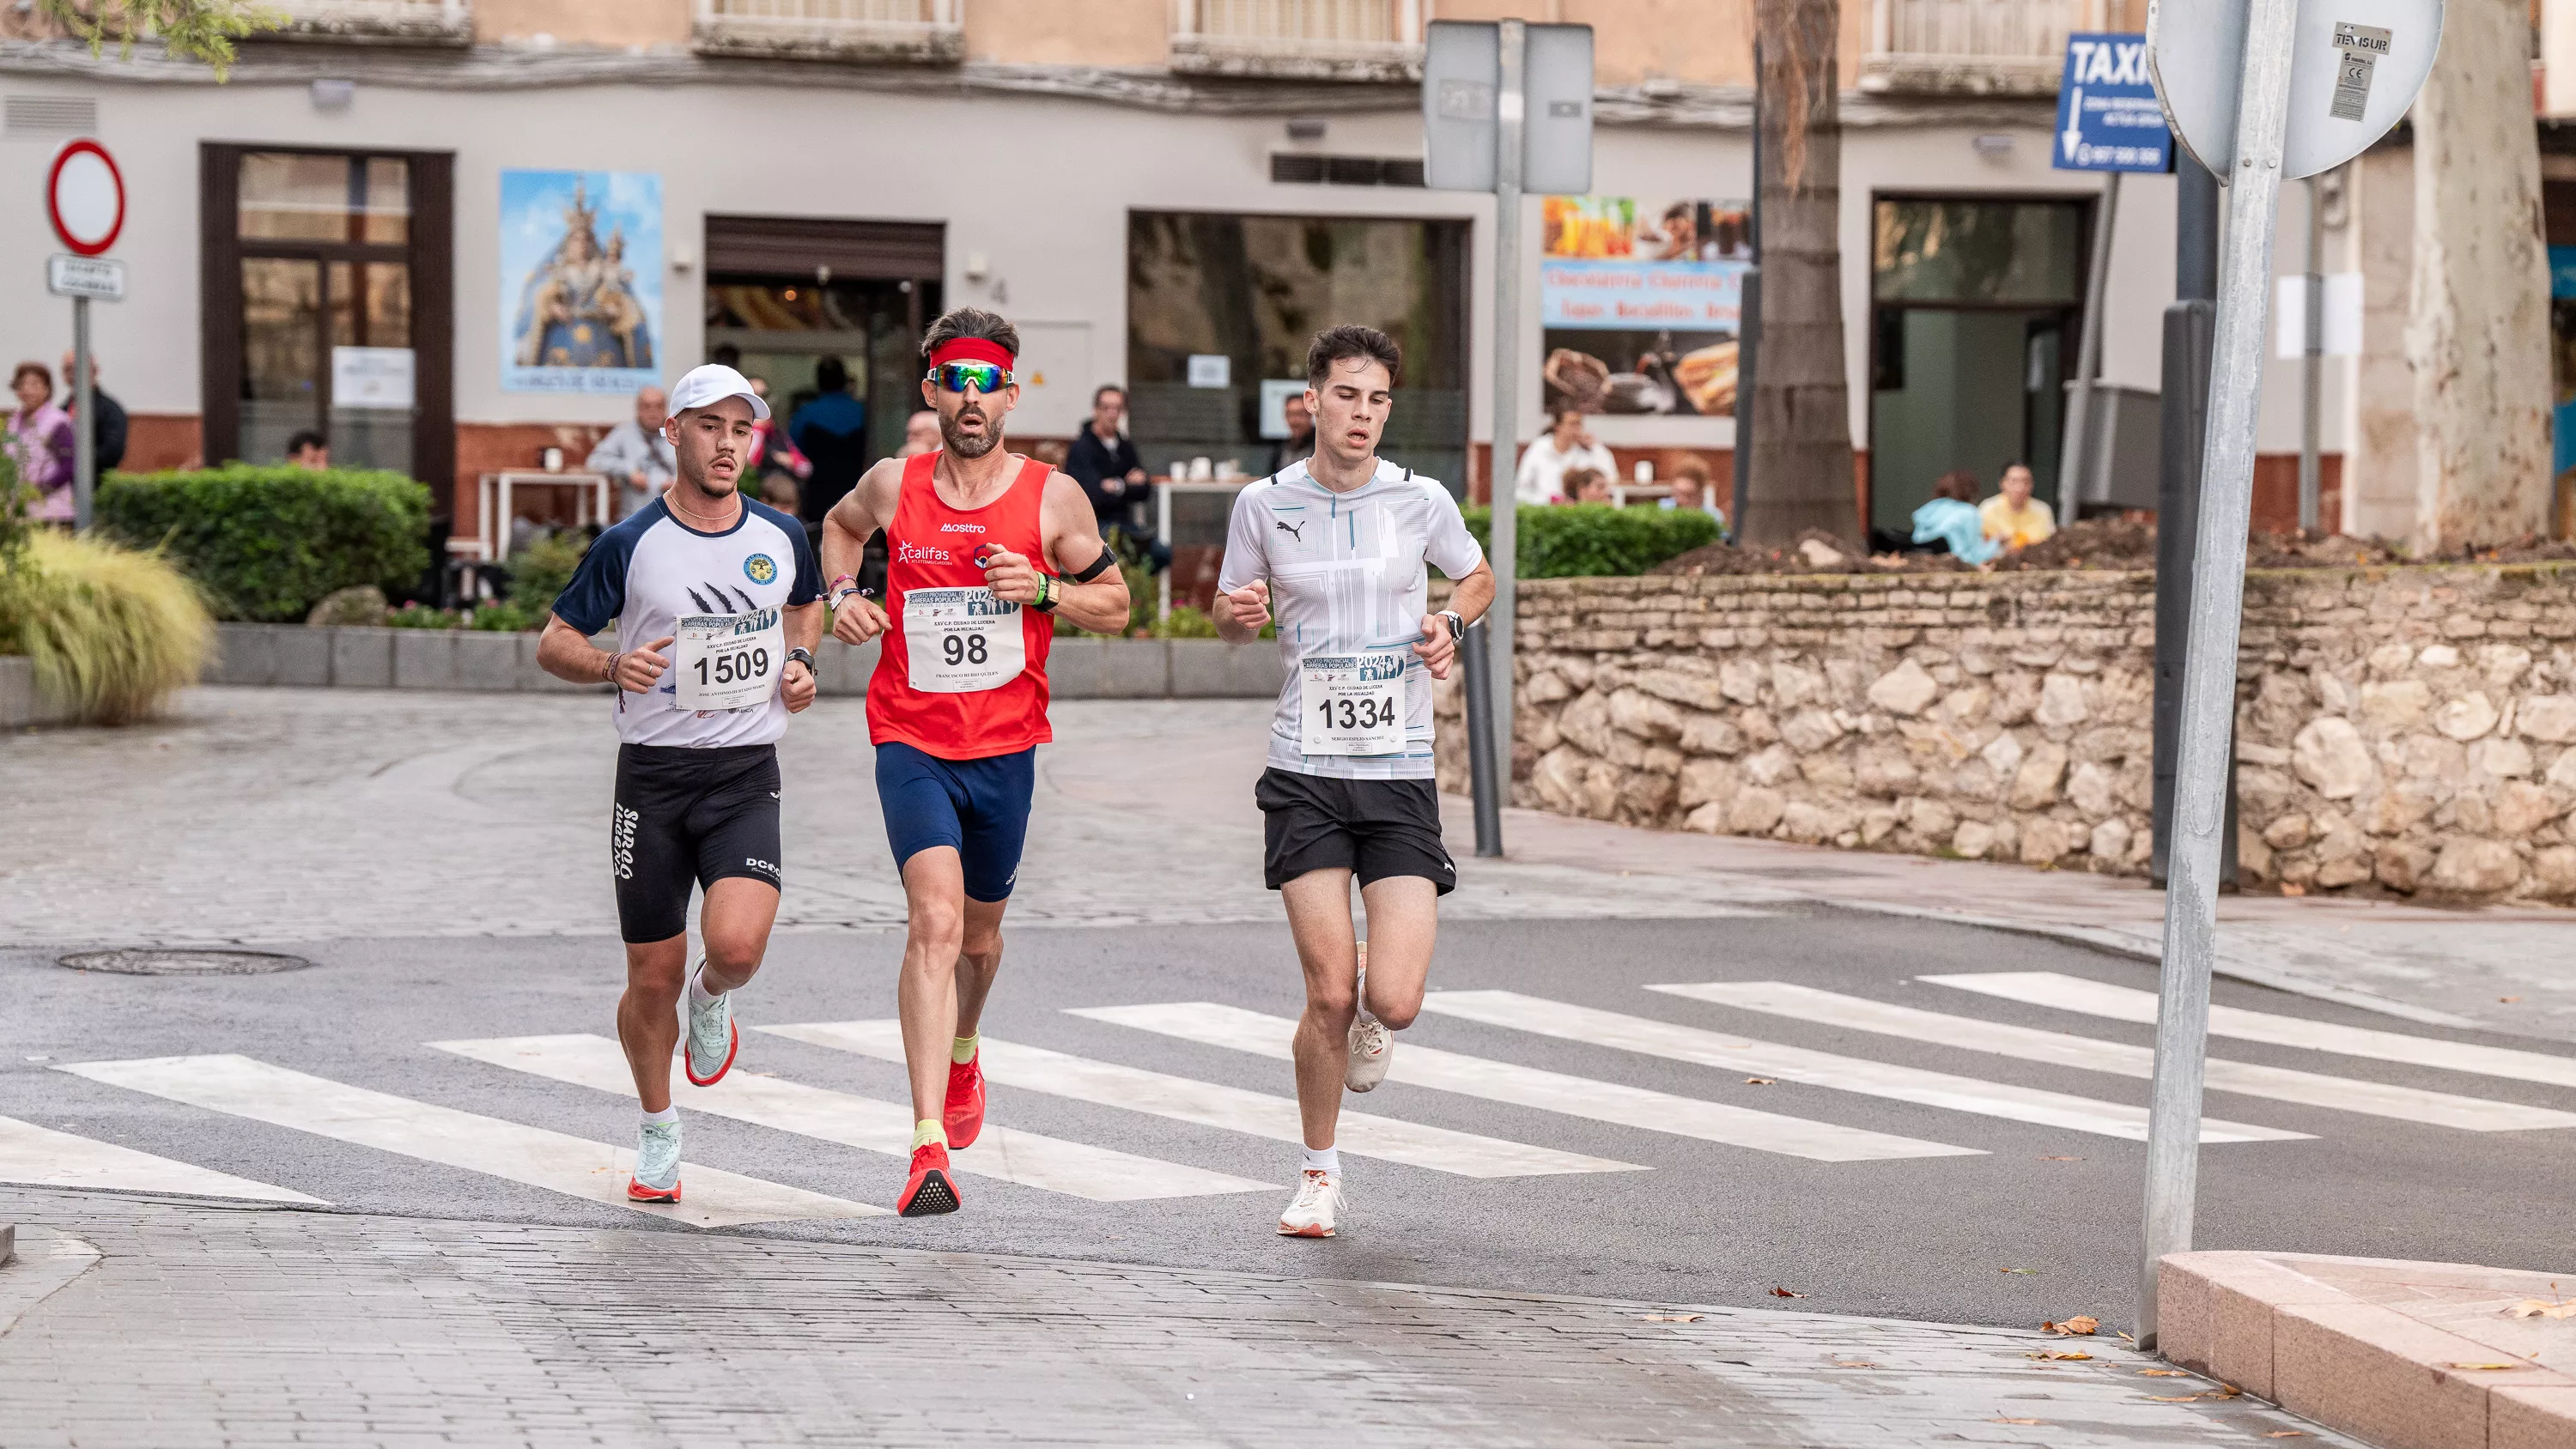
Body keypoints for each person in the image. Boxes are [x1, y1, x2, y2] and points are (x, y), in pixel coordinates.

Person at [820, 308, 1130, 1218]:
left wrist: (1042, 587)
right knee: (936, 919)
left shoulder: (1051, 497)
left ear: (1010, 394)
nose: (969, 396)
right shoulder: (891, 483)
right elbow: (838, 530)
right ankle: (925, 1146)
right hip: (910, 737)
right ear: (930, 391)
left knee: (981, 941)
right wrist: (843, 593)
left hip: (1005, 749)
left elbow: (1115, 604)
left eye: (986, 381)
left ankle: (965, 1046)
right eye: (954, 379)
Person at [1212, 324, 1495, 1240]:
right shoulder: (1263, 503)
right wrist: (1237, 612)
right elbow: (1229, 619)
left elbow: (1479, 575)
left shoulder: (1422, 500)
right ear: (1312, 401)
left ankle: (1376, 1000)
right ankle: (1318, 1173)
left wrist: (1452, 622)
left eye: (1377, 399)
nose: (1362, 413)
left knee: (1393, 999)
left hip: (1400, 766)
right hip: (1304, 769)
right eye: (1347, 395)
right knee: (1327, 993)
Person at [535, 362, 825, 1205]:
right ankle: (658, 1124)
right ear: (674, 432)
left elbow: (805, 606)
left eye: (742, 429)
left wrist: (801, 660)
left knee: (734, 948)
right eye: (710, 426)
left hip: (742, 774)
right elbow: (554, 640)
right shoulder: (630, 543)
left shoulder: (780, 536)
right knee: (648, 975)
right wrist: (607, 662)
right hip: (653, 782)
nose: (728, 444)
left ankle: (714, 998)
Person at [1063, 384, 1169, 574]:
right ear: (1095, 410)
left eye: (1117, 408)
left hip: (1126, 525)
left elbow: (1144, 490)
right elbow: (1091, 494)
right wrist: (1127, 485)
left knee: (1162, 553)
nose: (1112, 414)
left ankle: (1138, 599)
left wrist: (1116, 486)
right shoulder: (1082, 448)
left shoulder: (1125, 447)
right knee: (1112, 555)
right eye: (1106, 408)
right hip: (1093, 527)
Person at [787, 356, 869, 529]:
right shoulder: (863, 411)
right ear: (843, 380)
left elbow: (794, 448)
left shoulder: (807, 412)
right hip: (855, 488)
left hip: (818, 493)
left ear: (819, 382)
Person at [586, 384, 675, 518]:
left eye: (658, 406)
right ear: (638, 409)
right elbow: (595, 461)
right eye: (647, 406)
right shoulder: (624, 433)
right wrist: (629, 471)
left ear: (666, 409)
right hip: (634, 518)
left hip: (674, 517)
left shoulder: (678, 433)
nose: (653, 412)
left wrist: (678, 483)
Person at [8, 361, 74, 521]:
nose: (27, 390)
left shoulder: (57, 422)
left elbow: (68, 467)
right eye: (22, 384)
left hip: (53, 513)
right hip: (19, 513)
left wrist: (37, 492)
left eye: (35, 384)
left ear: (47, 390)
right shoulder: (14, 422)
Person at [1513, 409, 1617, 506]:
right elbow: (1521, 488)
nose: (1577, 429)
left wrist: (1597, 447)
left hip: (1575, 512)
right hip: (1542, 509)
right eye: (1572, 424)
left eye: (1579, 424)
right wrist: (1548, 501)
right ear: (1557, 426)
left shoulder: (1584, 451)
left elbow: (1610, 479)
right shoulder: (1539, 448)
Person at [58, 349, 127, 474]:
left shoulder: (110, 409)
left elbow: (112, 452)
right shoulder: (62, 410)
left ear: (94, 371)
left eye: (79, 369)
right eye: (68, 370)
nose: (74, 375)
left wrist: (73, 459)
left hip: (97, 486)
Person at [1912, 470, 2000, 565]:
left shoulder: (1928, 510)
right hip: (1953, 569)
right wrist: (1996, 541)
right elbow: (1976, 557)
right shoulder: (1969, 512)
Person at [1980, 461, 2057, 551]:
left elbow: (2051, 544)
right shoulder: (1988, 508)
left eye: (2026, 482)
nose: (2020, 487)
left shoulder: (2043, 510)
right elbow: (1976, 544)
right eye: (2013, 481)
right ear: (2002, 483)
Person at [1659, 457, 1727, 533]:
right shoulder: (1662, 510)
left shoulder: (1713, 517)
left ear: (1701, 495)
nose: (1680, 500)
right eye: (1677, 494)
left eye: (1688, 495)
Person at [1266, 391, 1315, 475]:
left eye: (1299, 414)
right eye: (1290, 414)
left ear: (1310, 415)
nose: (1294, 421)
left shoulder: (1321, 447)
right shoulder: (1281, 449)